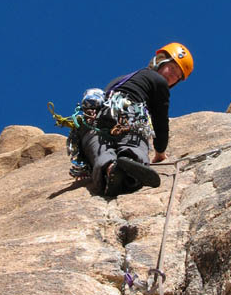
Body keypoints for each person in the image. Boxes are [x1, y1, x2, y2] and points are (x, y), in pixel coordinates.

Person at [72, 43, 193, 196]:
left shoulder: (121, 80)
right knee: (134, 144)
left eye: (178, 76)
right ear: (160, 61)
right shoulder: (158, 81)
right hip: (127, 114)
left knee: (100, 148)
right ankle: (130, 165)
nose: (173, 76)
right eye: (173, 68)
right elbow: (160, 120)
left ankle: (109, 169)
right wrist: (160, 151)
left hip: (94, 121)